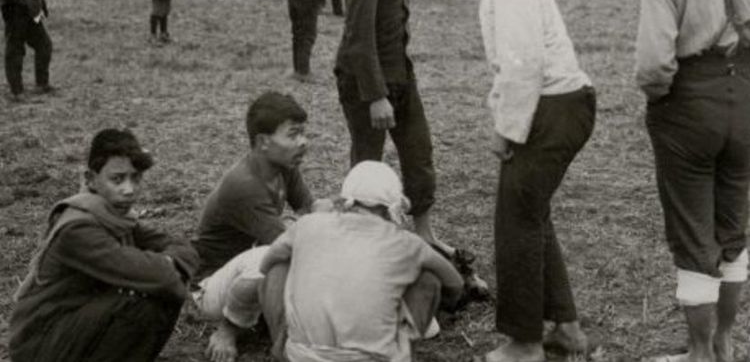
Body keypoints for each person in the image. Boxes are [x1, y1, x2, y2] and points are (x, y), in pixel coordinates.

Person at [452, 0, 595, 362]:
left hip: (551, 107)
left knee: (515, 222)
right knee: (531, 216)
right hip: (557, 105)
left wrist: (506, 130)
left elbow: (523, 65)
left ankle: (524, 343)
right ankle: (567, 331)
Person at [335, 0, 488, 298]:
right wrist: (375, 95)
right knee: (366, 163)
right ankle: (358, 243)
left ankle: (425, 235)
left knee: (418, 154)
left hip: (399, 76)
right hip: (368, 84)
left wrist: (394, 84)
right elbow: (359, 37)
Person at [636, 0, 749, 362]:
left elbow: (653, 65)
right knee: (733, 227)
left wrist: (666, 98)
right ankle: (726, 341)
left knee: (691, 231)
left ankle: (700, 352)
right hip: (745, 102)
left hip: (688, 106)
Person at [8, 129, 199, 362]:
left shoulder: (115, 215)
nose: (129, 189)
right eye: (117, 179)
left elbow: (183, 247)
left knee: (156, 294)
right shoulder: (78, 228)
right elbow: (160, 275)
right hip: (41, 342)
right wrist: (168, 265)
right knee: (141, 302)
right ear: (90, 179)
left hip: (75, 323)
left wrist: (166, 266)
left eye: (135, 177)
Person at [261, 160, 465, 362]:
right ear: (392, 209)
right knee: (428, 278)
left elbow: (266, 264)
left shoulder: (307, 225)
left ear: (345, 200)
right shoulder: (407, 243)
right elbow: (455, 283)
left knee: (278, 266)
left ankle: (279, 348)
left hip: (303, 356)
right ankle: (403, 351)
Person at [192, 91, 314, 362]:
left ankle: (265, 319)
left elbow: (310, 209)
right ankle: (227, 330)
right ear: (263, 142)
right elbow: (289, 243)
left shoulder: (284, 165)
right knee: (272, 257)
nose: (303, 142)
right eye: (293, 135)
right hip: (212, 285)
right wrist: (298, 226)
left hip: (249, 268)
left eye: (303, 133)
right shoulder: (244, 184)